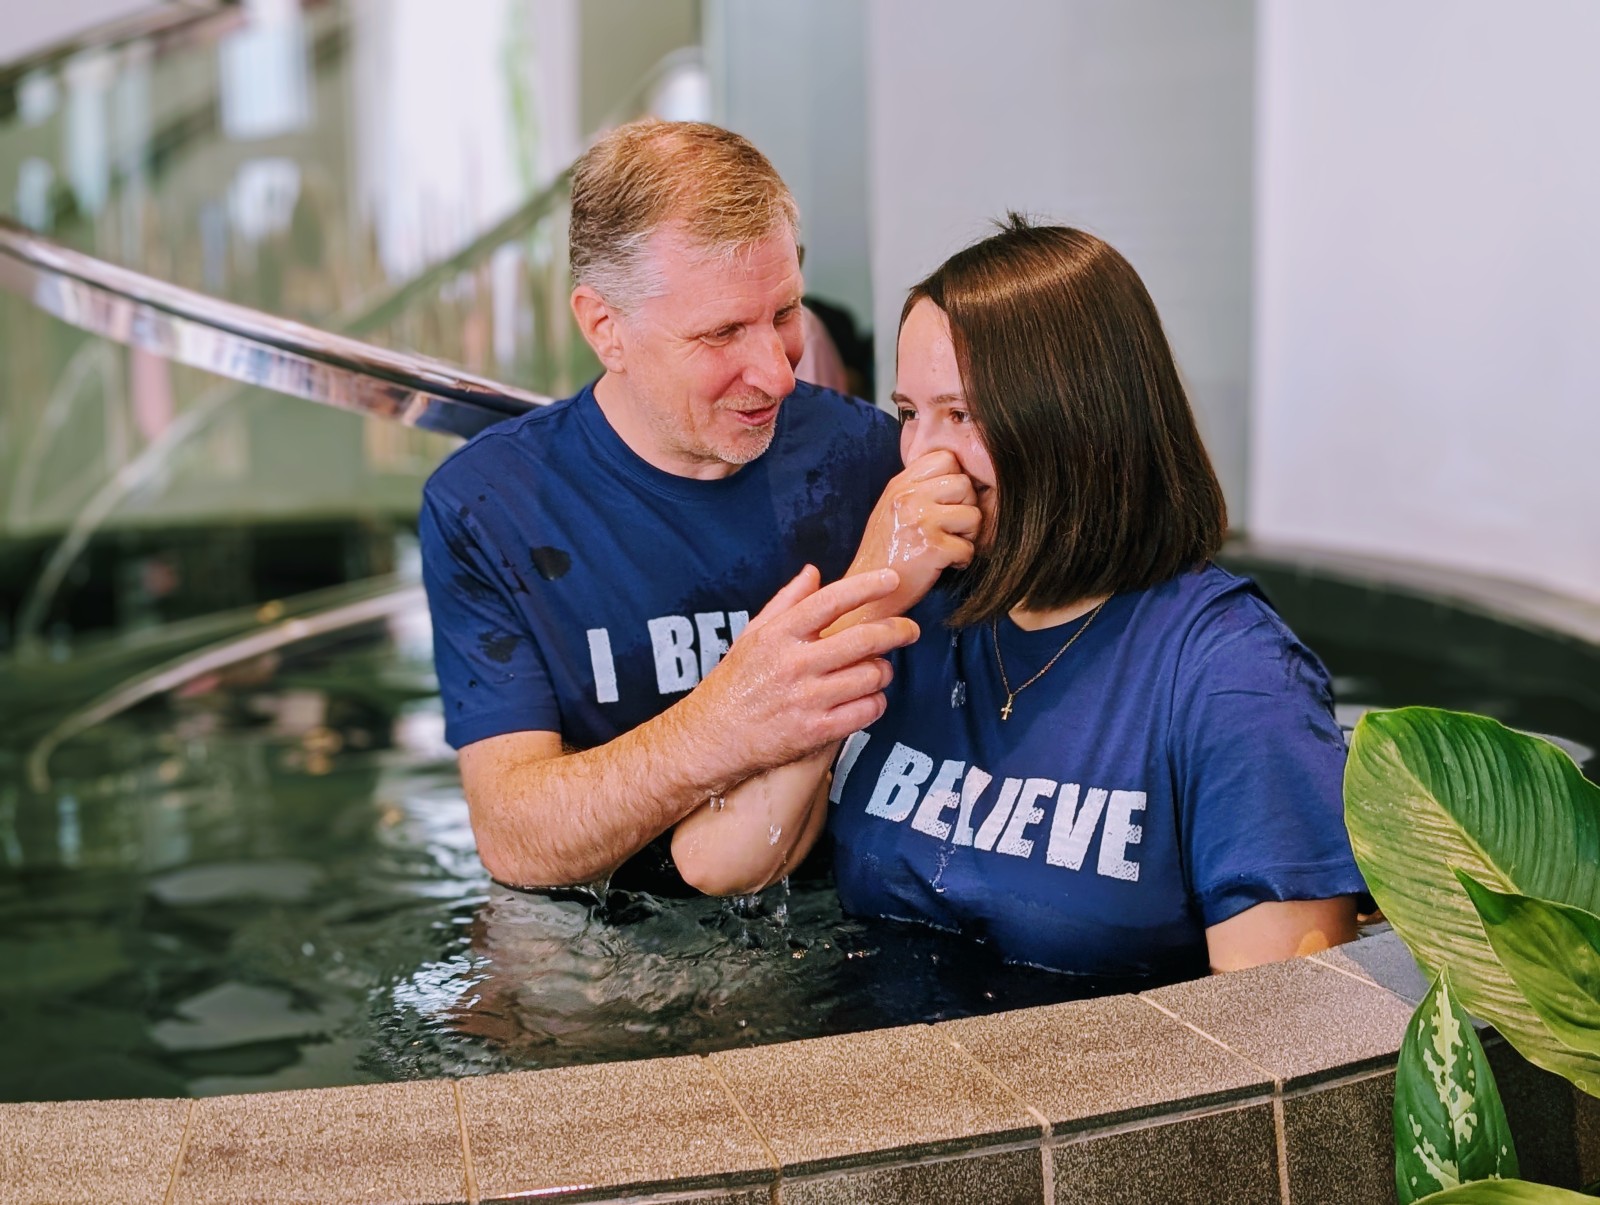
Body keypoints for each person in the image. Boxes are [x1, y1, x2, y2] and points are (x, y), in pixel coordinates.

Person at [674, 216, 1364, 981]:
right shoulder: (915, 614)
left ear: (1077, 422)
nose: (920, 459)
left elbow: (1283, 1029)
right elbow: (718, 861)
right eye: (909, 414)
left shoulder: (1232, 677)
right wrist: (868, 602)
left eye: (961, 414)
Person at [419, 120, 930, 892]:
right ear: (605, 328)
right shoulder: (490, 507)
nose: (778, 374)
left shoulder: (869, 459)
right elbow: (516, 837)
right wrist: (725, 723)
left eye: (784, 314)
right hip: (604, 936)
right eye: (722, 332)